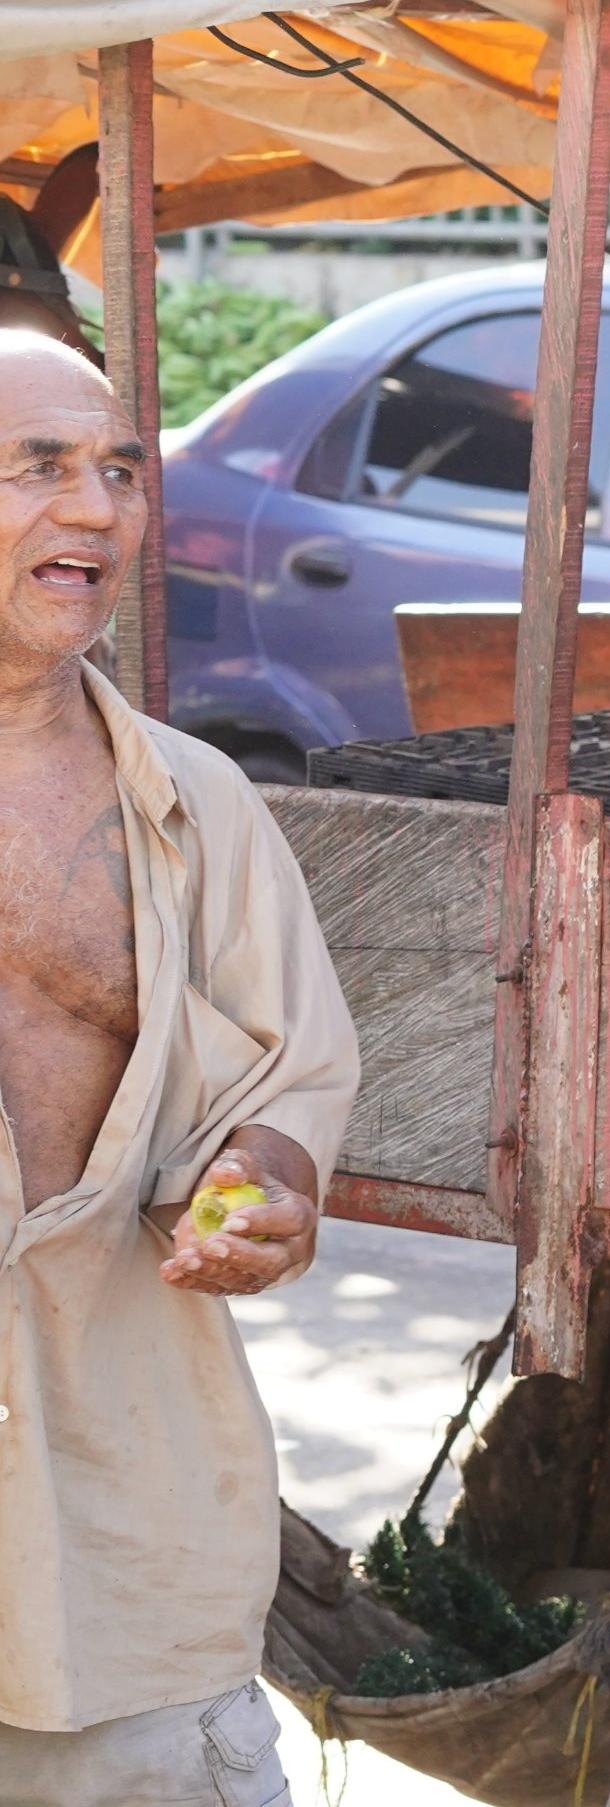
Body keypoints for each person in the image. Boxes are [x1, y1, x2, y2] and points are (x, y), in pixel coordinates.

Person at [0, 331, 356, 1806]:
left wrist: (266, 1185)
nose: (96, 511)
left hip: (123, 1559)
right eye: (40, 468)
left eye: (121, 472)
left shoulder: (197, 806)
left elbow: (286, 1088)